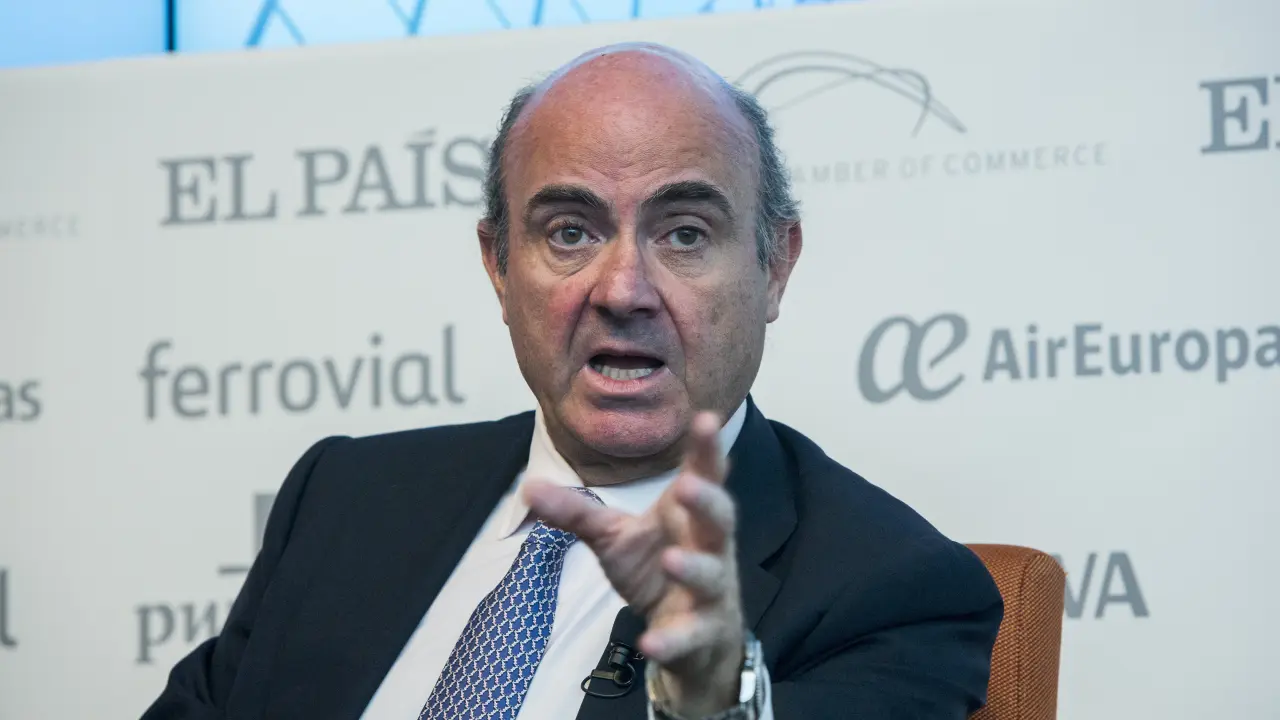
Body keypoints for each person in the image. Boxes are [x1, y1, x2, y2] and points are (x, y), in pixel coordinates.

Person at [143, 43, 1002, 720]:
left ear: (775, 265)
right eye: (568, 232)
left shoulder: (895, 591)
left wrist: (716, 702)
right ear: (498, 265)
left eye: (685, 234)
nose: (623, 290)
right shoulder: (344, 498)